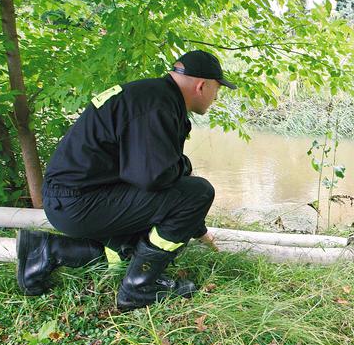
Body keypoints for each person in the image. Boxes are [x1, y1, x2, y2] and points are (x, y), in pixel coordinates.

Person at [16, 50, 236, 310]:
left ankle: (46, 250)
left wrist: (199, 231)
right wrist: (184, 166)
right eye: (217, 89)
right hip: (79, 203)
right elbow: (154, 177)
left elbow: (162, 179)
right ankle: (139, 288)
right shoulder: (157, 106)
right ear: (202, 85)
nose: (217, 96)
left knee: (131, 250)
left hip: (76, 198)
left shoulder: (153, 97)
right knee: (200, 191)